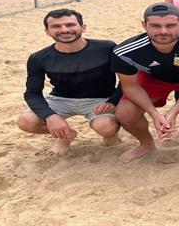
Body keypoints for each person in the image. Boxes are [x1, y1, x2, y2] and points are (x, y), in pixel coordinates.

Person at [112, 3, 179, 163]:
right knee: (125, 112)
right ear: (144, 25)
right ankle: (146, 144)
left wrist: (173, 112)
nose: (163, 31)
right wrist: (154, 113)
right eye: (155, 26)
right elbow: (130, 86)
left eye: (170, 25)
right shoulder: (124, 52)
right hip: (153, 77)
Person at [16, 9, 121, 157]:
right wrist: (50, 116)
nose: (64, 30)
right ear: (47, 31)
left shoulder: (107, 48)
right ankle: (65, 136)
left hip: (100, 99)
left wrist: (113, 101)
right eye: (56, 26)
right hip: (61, 99)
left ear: (83, 27)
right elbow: (32, 93)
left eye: (70, 24)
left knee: (106, 127)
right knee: (26, 121)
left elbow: (127, 79)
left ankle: (110, 134)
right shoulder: (39, 58)